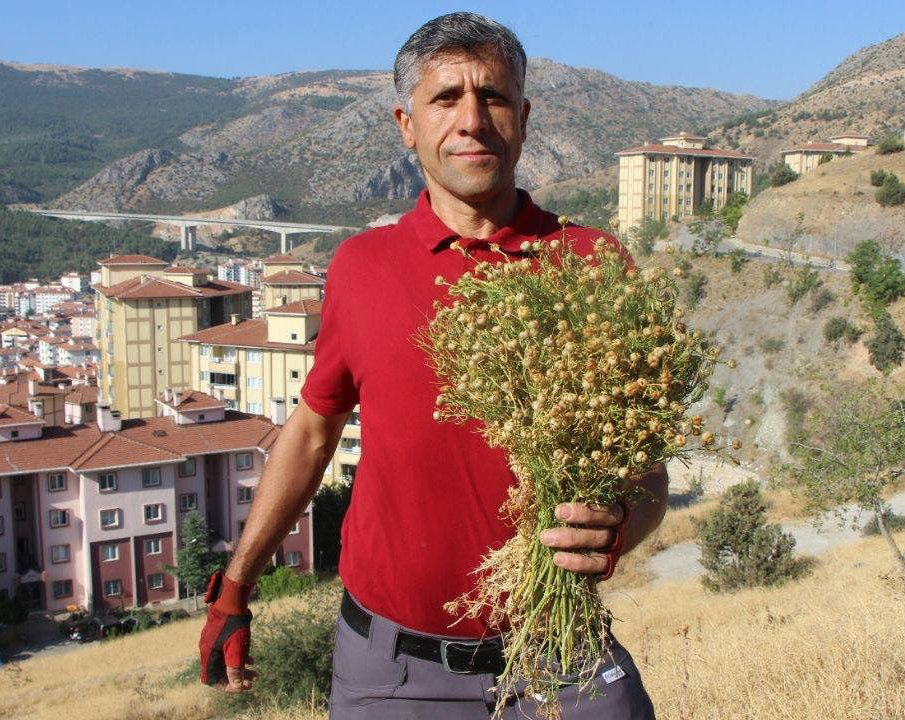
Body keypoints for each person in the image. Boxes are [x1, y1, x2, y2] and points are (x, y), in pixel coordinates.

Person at [198, 12, 665, 719]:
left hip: (563, 655)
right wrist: (234, 589)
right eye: (445, 98)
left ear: (524, 120)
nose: (471, 120)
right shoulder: (361, 267)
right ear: (406, 125)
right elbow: (313, 434)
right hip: (392, 676)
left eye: (493, 97)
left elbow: (647, 469)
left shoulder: (593, 263)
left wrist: (624, 522)